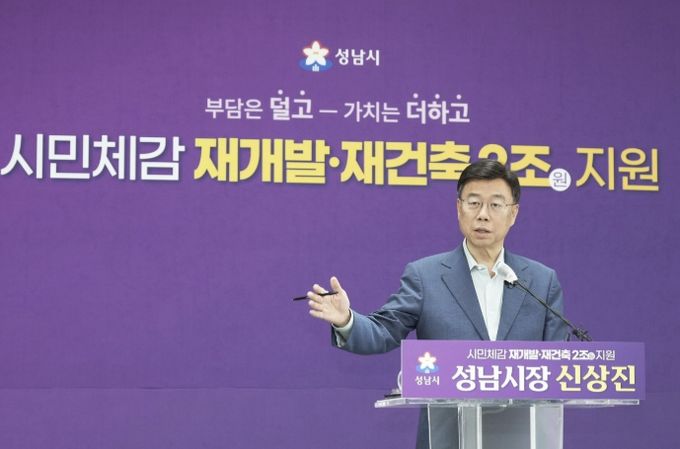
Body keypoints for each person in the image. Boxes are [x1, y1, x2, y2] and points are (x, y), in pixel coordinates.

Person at [306, 159, 568, 449]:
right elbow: (383, 331)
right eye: (473, 203)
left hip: (521, 437)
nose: (483, 215)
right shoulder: (426, 276)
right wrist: (346, 320)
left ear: (513, 213)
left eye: (495, 205)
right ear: (459, 208)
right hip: (447, 437)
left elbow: (557, 367)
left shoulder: (541, 282)